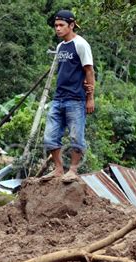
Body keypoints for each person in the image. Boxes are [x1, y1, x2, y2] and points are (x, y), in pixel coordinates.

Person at [42, 10, 95, 183]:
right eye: (56, 26)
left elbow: (89, 71)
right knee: (50, 136)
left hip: (76, 99)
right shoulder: (60, 47)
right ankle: (58, 169)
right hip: (58, 98)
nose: (57, 29)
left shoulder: (81, 44)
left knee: (76, 137)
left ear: (71, 25)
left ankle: (72, 170)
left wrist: (90, 97)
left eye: (61, 25)